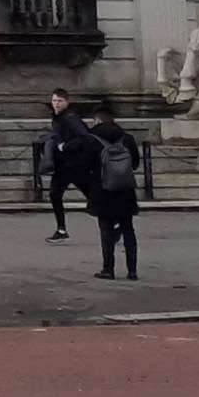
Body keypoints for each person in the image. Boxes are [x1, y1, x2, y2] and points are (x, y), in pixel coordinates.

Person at [83, 103, 142, 281]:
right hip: (125, 190)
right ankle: (132, 270)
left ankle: (108, 269)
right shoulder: (127, 139)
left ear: (97, 120)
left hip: (103, 190)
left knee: (106, 230)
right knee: (128, 229)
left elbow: (86, 165)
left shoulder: (92, 139)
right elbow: (135, 164)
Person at [40, 88, 93, 241]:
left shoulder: (70, 118)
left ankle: (115, 223)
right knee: (55, 194)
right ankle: (61, 230)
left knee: (92, 195)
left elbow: (84, 137)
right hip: (64, 166)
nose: (56, 104)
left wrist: (65, 146)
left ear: (66, 102)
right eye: (54, 100)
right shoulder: (58, 118)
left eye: (59, 101)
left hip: (74, 164)